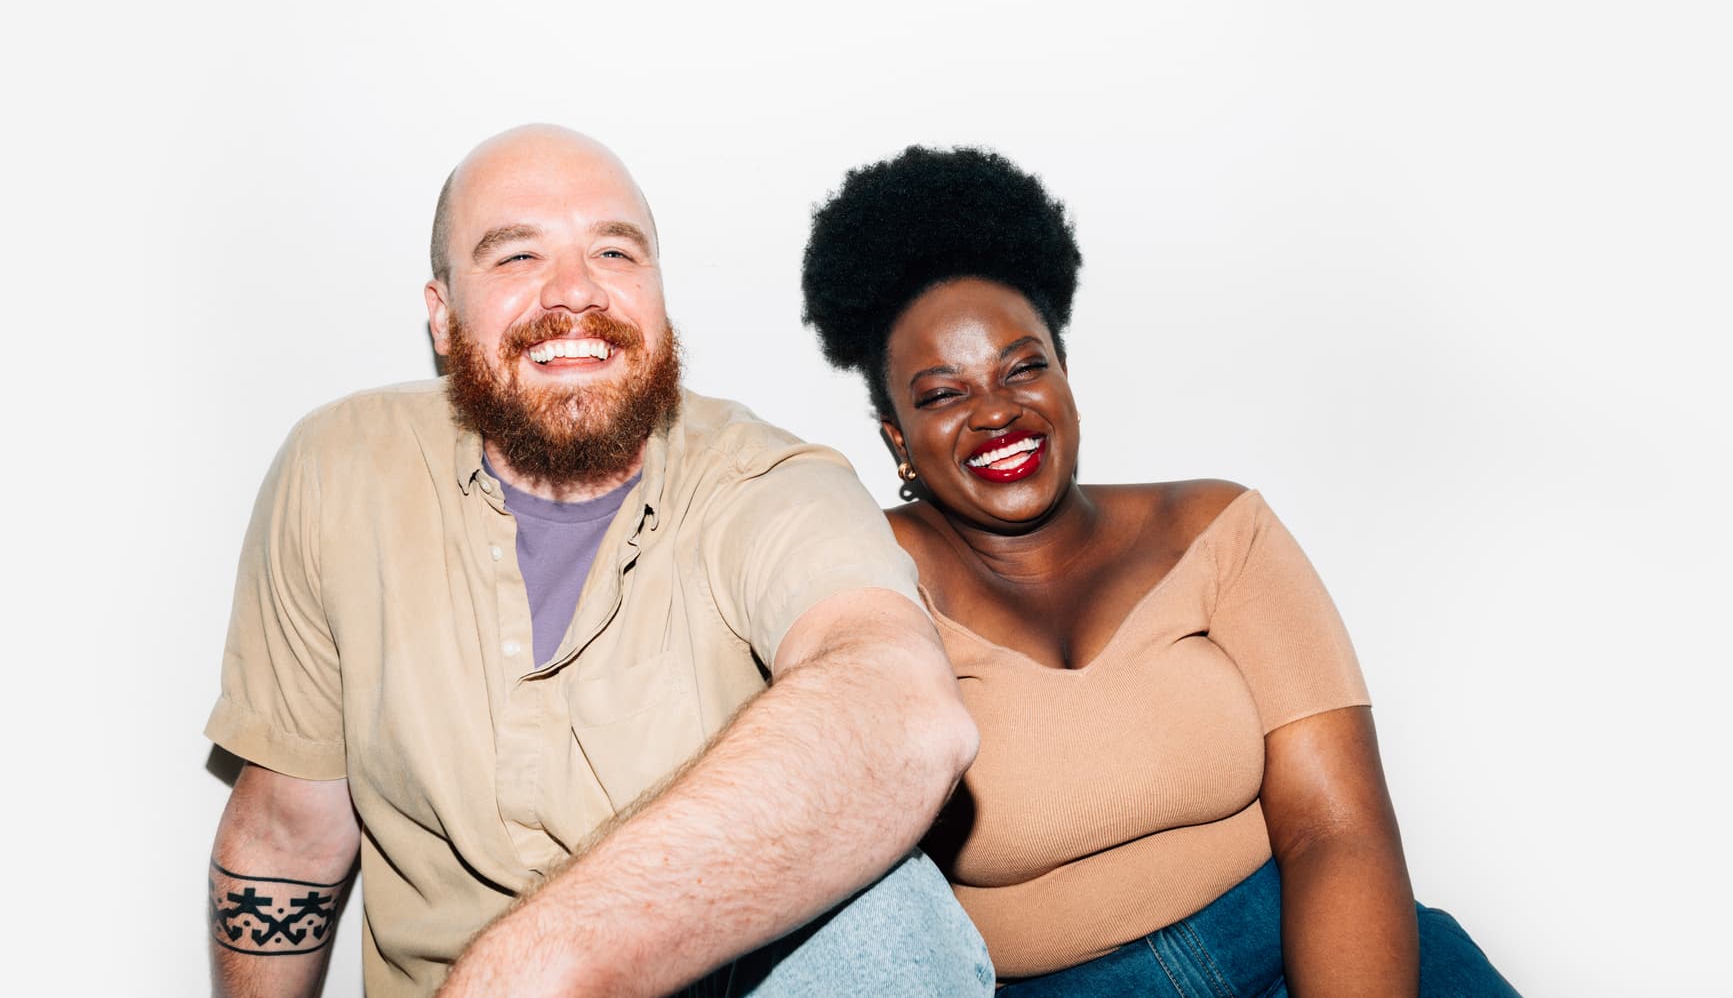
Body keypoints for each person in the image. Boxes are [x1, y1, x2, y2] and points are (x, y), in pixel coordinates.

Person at [205, 124, 995, 998]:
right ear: (441, 313)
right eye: (514, 257)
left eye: (615, 252)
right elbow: (287, 840)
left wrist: (533, 971)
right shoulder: (338, 468)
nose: (575, 293)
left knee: (885, 907)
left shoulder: (769, 481)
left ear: (659, 293)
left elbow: (901, 712)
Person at [799, 145, 1519, 996]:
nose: (996, 410)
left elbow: (1338, 827)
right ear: (896, 439)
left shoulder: (1215, 528)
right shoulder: (857, 582)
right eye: (943, 393)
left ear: (1065, 377)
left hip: (1325, 946)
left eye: (1023, 366)